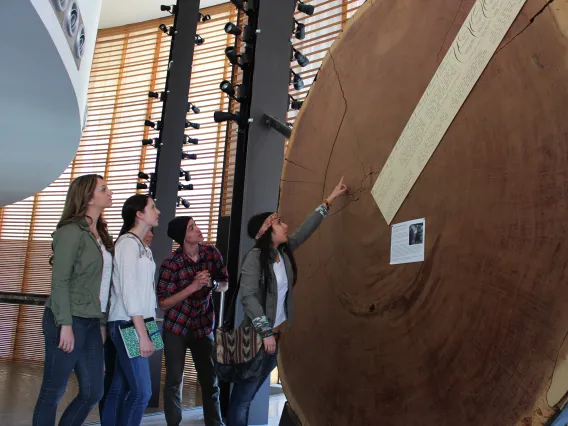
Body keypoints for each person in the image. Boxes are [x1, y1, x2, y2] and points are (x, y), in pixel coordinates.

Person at [226, 177, 348, 426]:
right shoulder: (255, 258)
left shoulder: (281, 252)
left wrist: (330, 199)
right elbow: (248, 297)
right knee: (242, 399)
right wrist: (265, 332)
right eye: (279, 222)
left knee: (246, 397)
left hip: (272, 340)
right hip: (257, 340)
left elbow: (304, 230)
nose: (285, 225)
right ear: (267, 230)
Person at [32, 174, 113, 426]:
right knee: (52, 391)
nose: (109, 192)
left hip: (90, 320)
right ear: (89, 197)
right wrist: (64, 325)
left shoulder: (99, 236)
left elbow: (99, 286)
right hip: (67, 319)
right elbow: (60, 282)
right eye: (103, 188)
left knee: (93, 392)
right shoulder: (70, 232)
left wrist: (100, 323)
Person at [157, 216, 229, 426]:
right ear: (183, 237)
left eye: (195, 224)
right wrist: (193, 287)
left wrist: (212, 283)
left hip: (203, 325)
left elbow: (224, 283)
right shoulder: (171, 264)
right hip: (175, 328)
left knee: (210, 381)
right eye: (192, 227)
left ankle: (215, 423)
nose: (198, 229)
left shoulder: (211, 253)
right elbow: (163, 303)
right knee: (172, 382)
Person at [101, 194, 160, 426]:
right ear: (139, 214)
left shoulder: (142, 247)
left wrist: (150, 330)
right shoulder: (126, 243)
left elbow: (147, 293)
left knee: (121, 385)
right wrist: (142, 335)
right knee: (142, 392)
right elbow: (129, 291)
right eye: (153, 207)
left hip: (142, 323)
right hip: (128, 324)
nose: (158, 212)